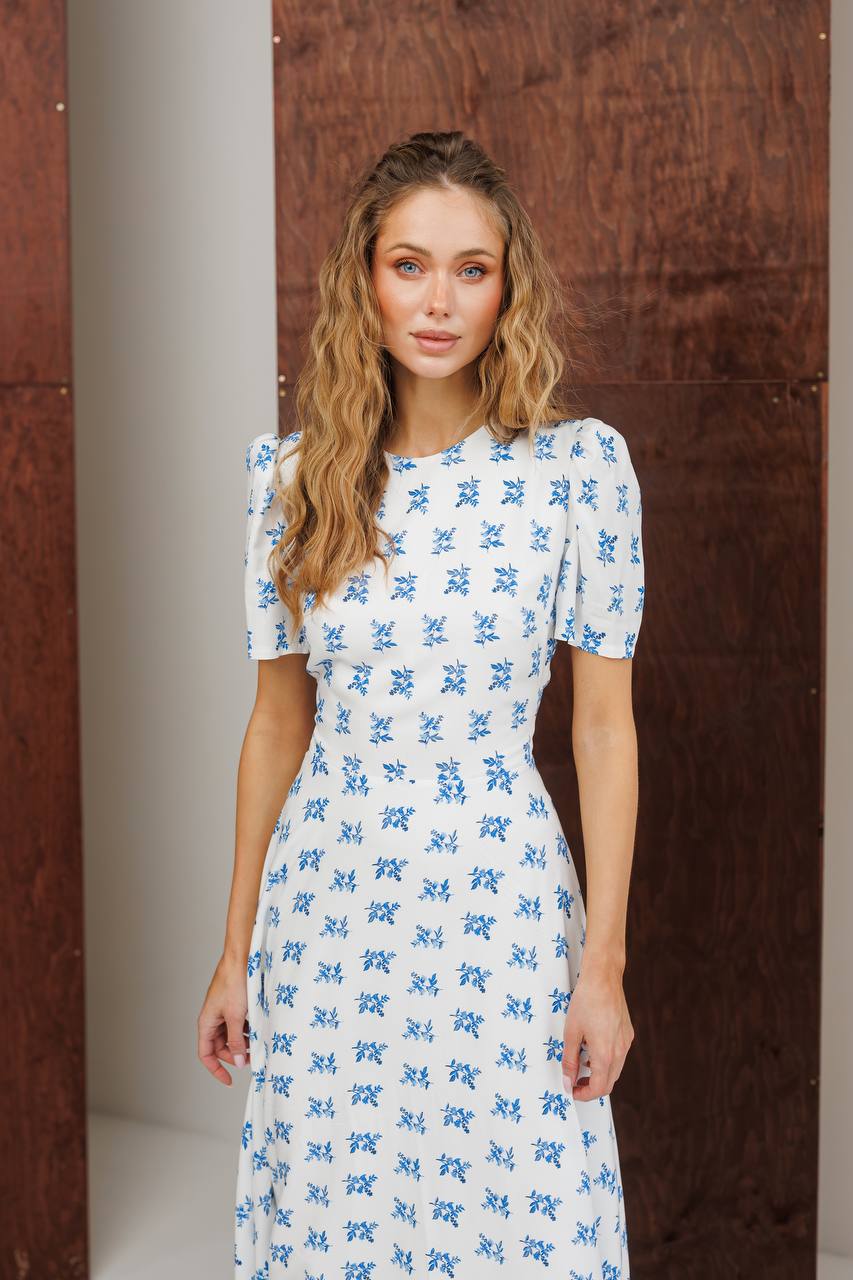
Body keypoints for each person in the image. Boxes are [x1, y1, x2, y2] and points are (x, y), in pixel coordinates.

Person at [198, 129, 645, 1278]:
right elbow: (275, 726)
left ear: (509, 288)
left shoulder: (574, 473)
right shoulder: (294, 479)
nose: (437, 300)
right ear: (365, 279)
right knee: (339, 1203)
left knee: (517, 1207)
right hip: (329, 898)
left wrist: (602, 965)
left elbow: (601, 729)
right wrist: (233, 947)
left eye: (470, 268)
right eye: (409, 264)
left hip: (497, 896)